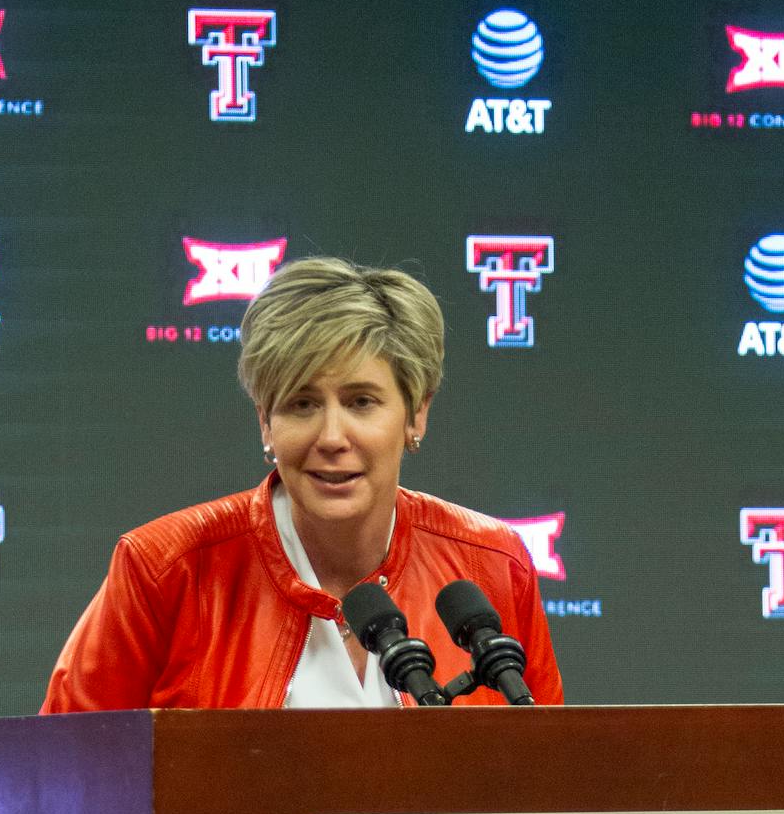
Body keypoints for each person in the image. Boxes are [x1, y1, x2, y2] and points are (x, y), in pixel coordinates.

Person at [40, 257, 562, 712]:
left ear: (416, 415)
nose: (332, 437)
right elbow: (59, 785)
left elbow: (555, 787)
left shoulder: (492, 563)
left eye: (361, 402)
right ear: (266, 422)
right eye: (302, 404)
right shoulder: (164, 570)